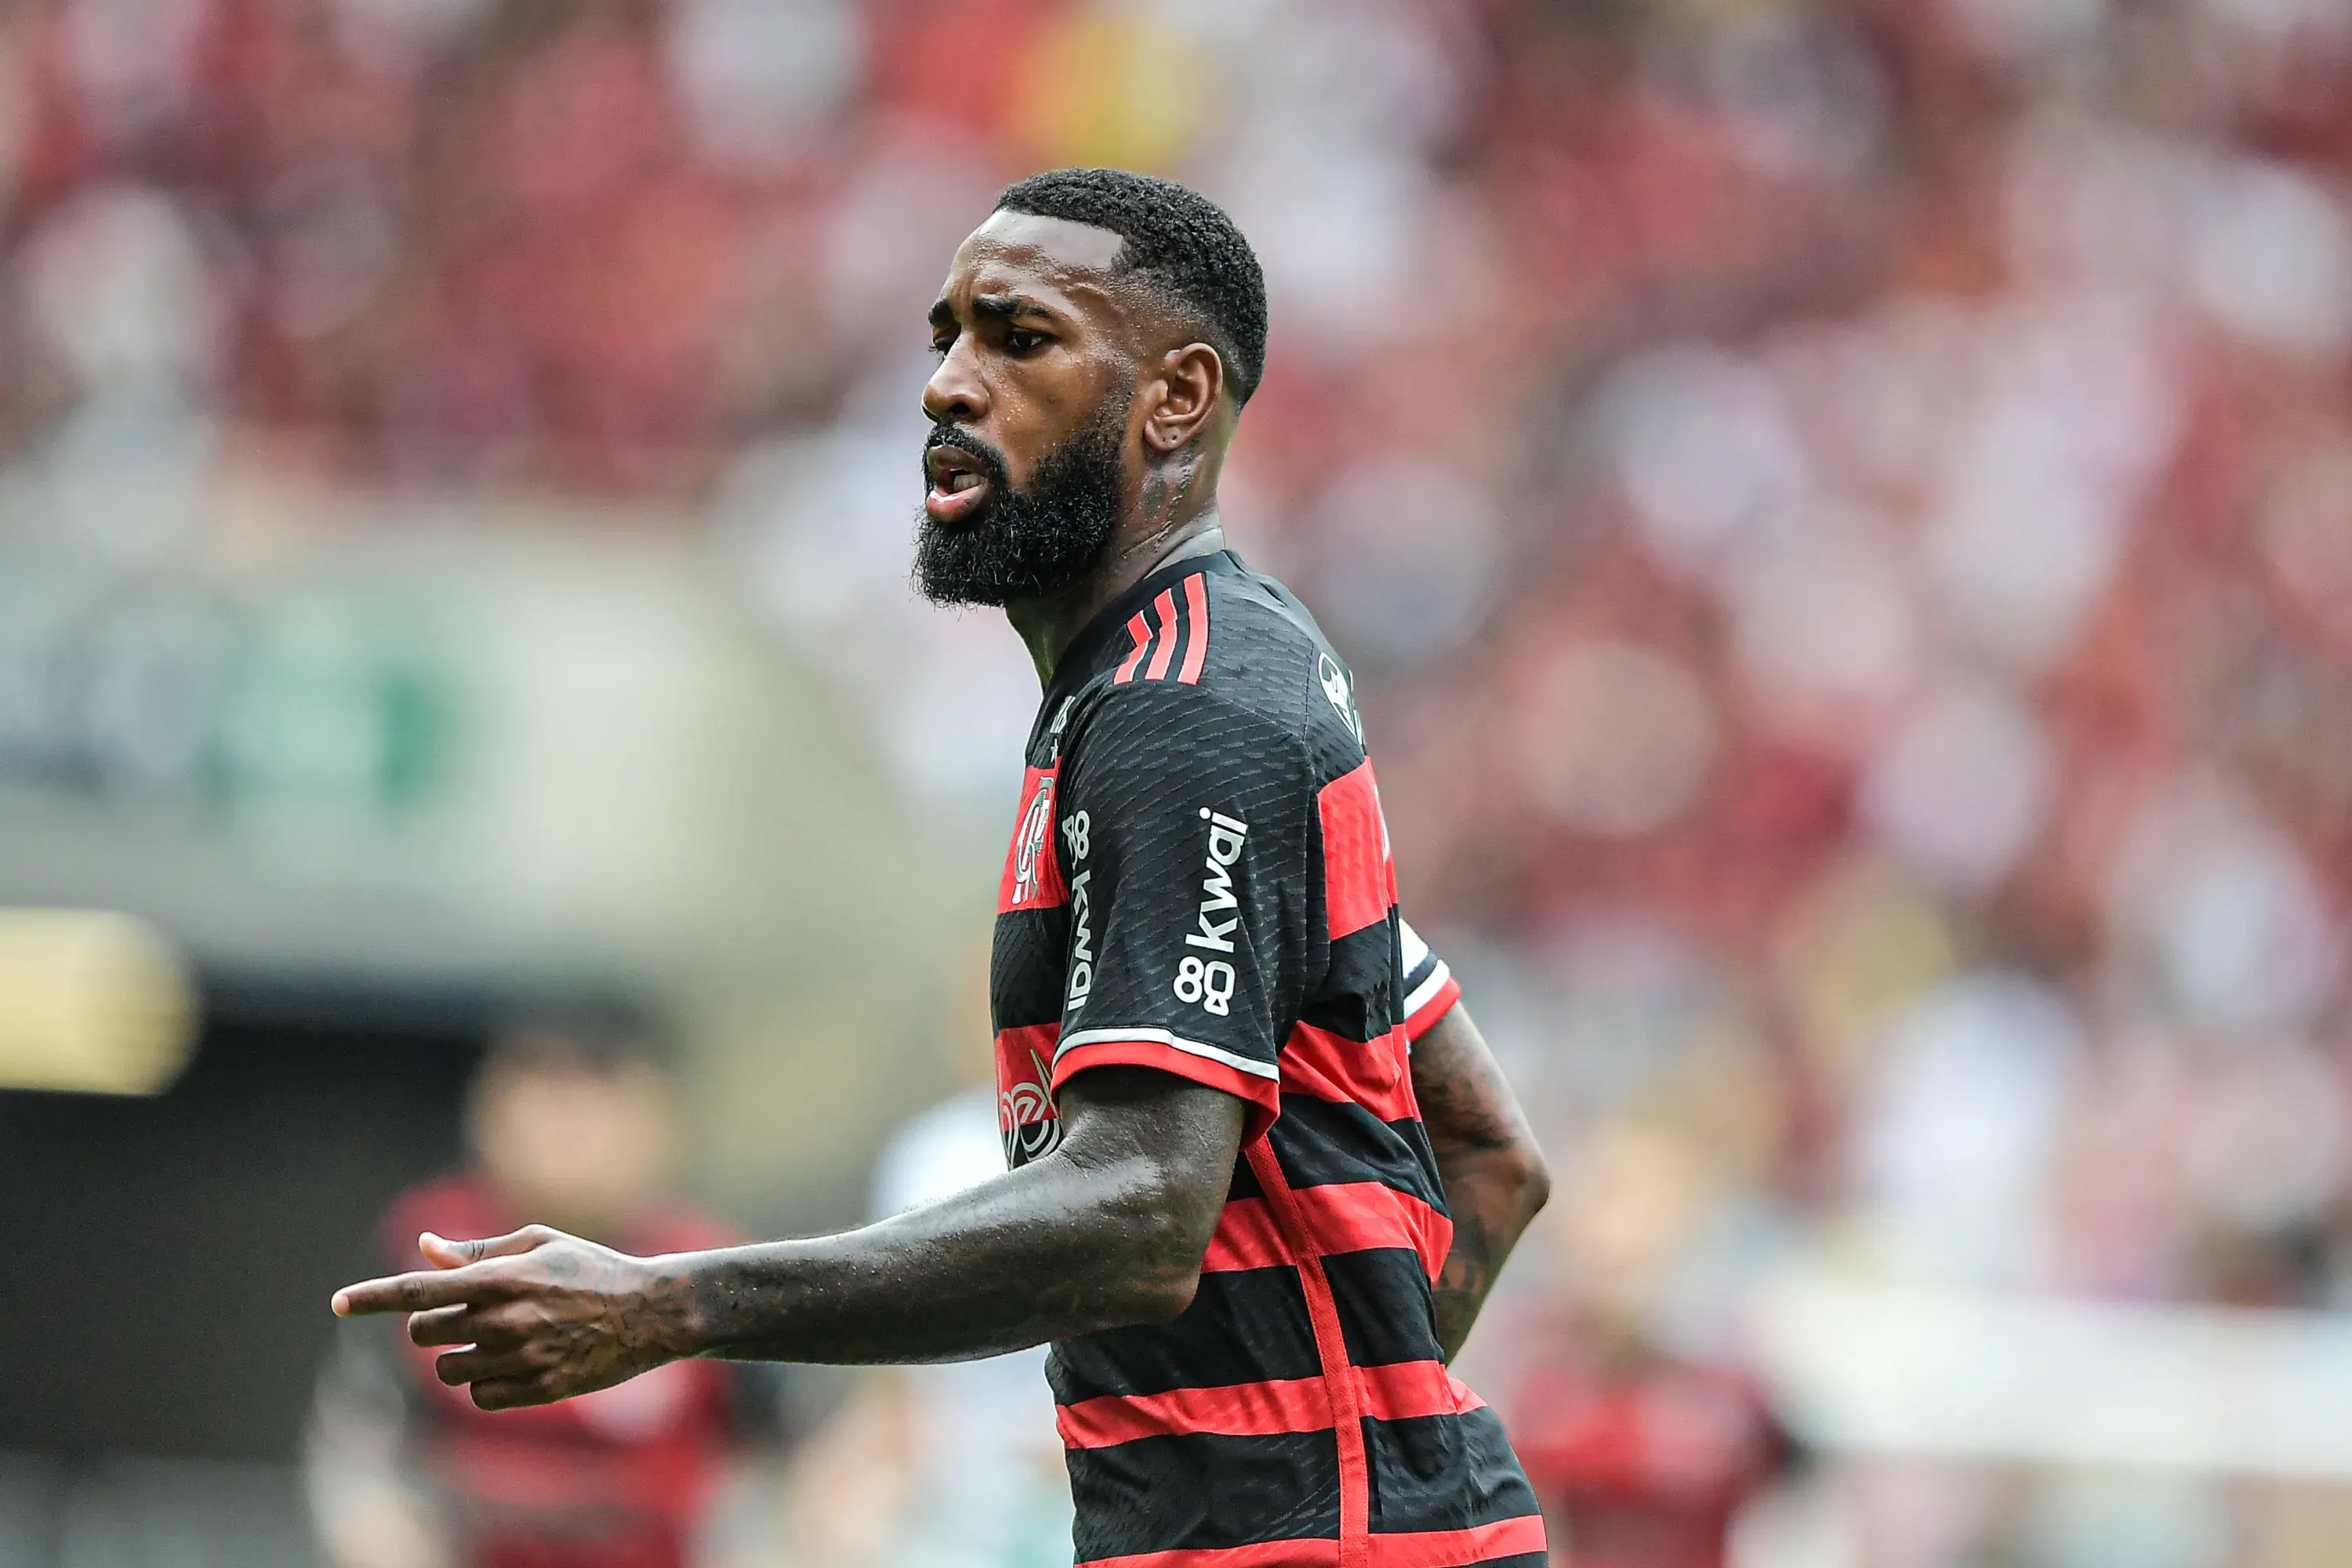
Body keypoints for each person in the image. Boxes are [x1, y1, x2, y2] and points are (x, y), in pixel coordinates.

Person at [333, 168, 1555, 1568]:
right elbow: (1490, 1156)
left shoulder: (1184, 708)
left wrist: (668, 1307)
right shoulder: (1196, 683)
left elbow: (1145, 1214)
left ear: (1176, 398)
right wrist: (1356, 1430)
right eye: (946, 338)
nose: (946, 389)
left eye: (1019, 339)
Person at [309, 1009, 793, 1568]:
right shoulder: (432, 1248)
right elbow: (358, 1445)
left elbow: (804, 1460)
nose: (566, 1130)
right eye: (544, 1094)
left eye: (596, 1099)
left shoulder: (706, 1266)